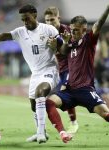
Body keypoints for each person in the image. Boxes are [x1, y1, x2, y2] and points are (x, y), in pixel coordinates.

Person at [0, 4, 71, 143]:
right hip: (35, 73)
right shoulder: (20, 32)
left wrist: (64, 43)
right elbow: (0, 36)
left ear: (35, 15)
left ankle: (40, 134)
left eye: (27, 18)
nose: (25, 22)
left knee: (40, 93)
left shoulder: (48, 29)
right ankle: (41, 131)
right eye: (22, 19)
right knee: (34, 105)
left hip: (50, 70)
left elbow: (64, 51)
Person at [45, 5, 109, 139]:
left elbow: (99, 24)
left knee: (106, 115)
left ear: (84, 30)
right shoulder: (70, 44)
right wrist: (65, 42)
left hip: (85, 90)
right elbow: (62, 52)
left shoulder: (89, 40)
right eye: (72, 30)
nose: (72, 33)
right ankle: (63, 133)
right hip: (69, 90)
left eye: (76, 31)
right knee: (49, 102)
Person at [44, 6, 79, 134]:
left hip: (73, 68)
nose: (49, 23)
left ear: (58, 18)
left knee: (65, 92)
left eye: (52, 20)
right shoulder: (47, 32)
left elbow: (73, 50)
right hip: (61, 69)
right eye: (47, 20)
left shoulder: (68, 31)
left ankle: (73, 123)